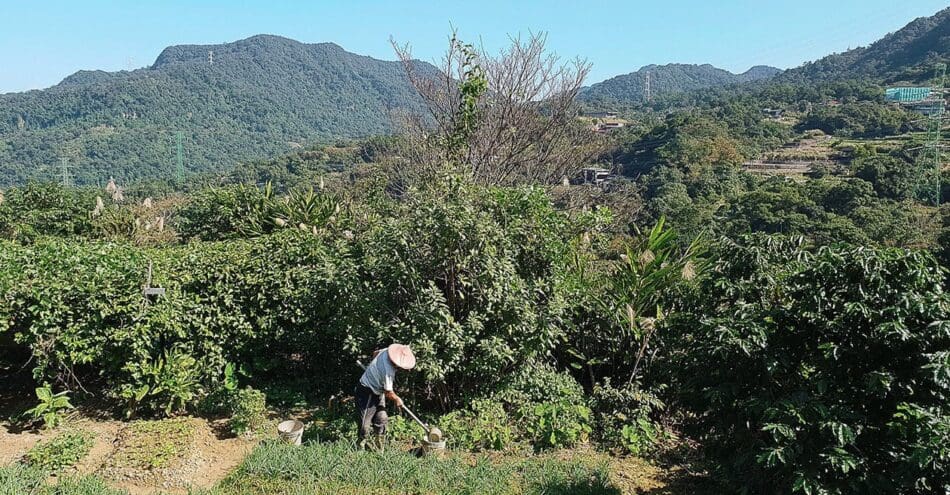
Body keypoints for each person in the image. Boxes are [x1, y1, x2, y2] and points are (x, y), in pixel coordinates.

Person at [355, 343, 416, 450]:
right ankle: (359, 447)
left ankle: (379, 448)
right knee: (364, 425)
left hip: (379, 391)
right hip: (366, 391)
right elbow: (389, 393)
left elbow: (375, 353)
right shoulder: (388, 371)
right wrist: (397, 399)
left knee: (382, 419)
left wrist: (375, 370)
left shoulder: (387, 350)